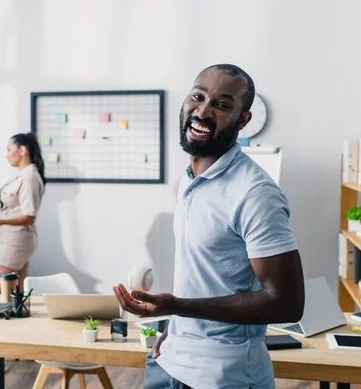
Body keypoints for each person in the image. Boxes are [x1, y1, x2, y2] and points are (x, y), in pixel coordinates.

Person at [113, 64, 305, 389]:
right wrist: (172, 329)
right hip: (169, 360)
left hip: (222, 377)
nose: (202, 111)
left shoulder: (255, 193)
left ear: (243, 119)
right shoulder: (190, 179)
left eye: (222, 105)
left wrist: (175, 306)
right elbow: (204, 276)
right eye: (197, 96)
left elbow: (287, 302)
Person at [0, 132, 45, 381]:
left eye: (9, 149)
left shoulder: (30, 177)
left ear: (22, 150)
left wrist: (0, 221)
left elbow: (29, 215)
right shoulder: (22, 176)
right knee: (16, 299)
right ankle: (11, 349)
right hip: (14, 239)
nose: (6, 154)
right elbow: (17, 207)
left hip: (16, 241)